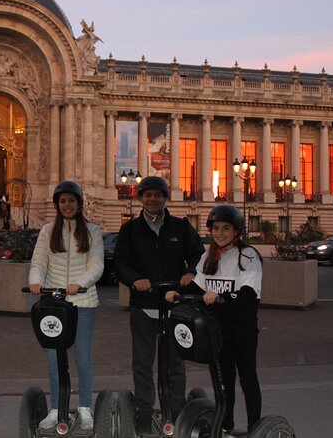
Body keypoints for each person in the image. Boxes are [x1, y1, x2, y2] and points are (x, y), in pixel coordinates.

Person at [113, 175, 204, 434]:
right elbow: (120, 263)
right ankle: (144, 411)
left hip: (174, 305)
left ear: (165, 198)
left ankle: (175, 412)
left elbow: (199, 253)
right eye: (148, 194)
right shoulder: (130, 229)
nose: (153, 199)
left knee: (174, 363)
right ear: (140, 198)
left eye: (158, 194)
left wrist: (191, 272)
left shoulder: (181, 226)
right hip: (143, 306)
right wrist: (134, 280)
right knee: (142, 363)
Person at [166, 205, 263, 434]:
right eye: (216, 228)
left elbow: (249, 295)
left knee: (248, 379)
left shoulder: (248, 256)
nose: (220, 233)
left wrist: (221, 296)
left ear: (236, 231)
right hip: (216, 329)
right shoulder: (208, 257)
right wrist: (174, 292)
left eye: (226, 228)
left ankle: (255, 428)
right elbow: (196, 285)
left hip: (242, 330)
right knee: (224, 381)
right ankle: (226, 426)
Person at [29, 181, 104, 430]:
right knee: (54, 358)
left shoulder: (92, 230)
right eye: (63, 201)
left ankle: (84, 408)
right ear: (57, 205)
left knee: (82, 357)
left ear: (79, 203)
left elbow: (96, 265)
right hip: (54, 303)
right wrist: (36, 282)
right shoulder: (48, 230)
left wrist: (79, 283)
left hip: (82, 301)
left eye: (71, 200)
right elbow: (39, 261)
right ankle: (55, 408)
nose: (67, 205)